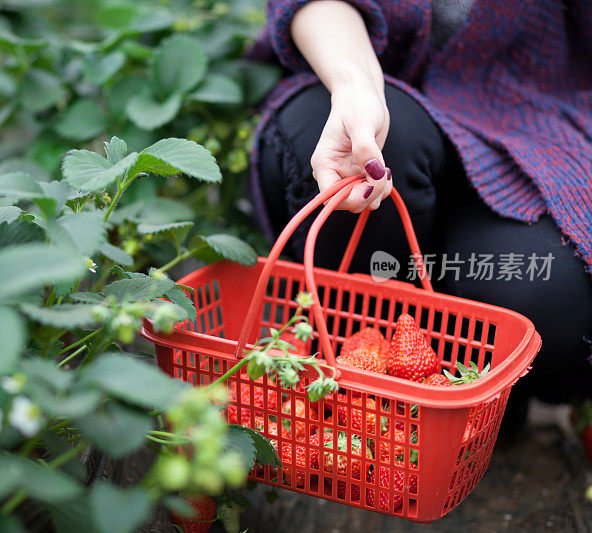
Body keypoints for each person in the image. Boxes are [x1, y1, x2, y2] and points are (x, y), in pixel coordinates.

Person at [250, 0, 592, 415]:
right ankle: (342, 391)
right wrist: (356, 87)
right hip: (365, 78)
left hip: (536, 123)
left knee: (546, 298)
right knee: (364, 155)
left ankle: (463, 405)